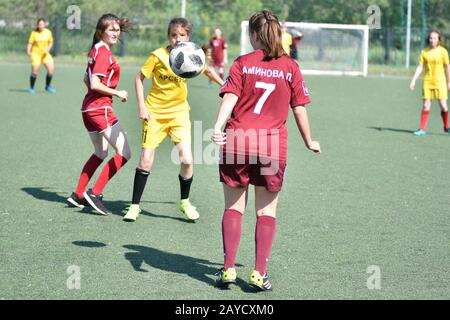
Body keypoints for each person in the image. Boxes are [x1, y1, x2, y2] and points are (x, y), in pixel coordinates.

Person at [212, 10, 320, 291]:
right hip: (272, 146)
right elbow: (299, 107)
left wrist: (217, 125)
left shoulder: (242, 63)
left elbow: (231, 96)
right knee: (266, 211)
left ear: (254, 36)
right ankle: (259, 273)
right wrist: (309, 140)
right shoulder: (290, 67)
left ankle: (228, 269)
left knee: (233, 207)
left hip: (237, 141)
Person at [123, 17, 224, 222]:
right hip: (155, 114)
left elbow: (207, 70)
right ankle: (134, 206)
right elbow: (138, 79)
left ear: (188, 37)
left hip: (179, 114)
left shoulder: (191, 54)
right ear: (168, 36)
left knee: (187, 159)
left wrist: (225, 86)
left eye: (182, 35)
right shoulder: (158, 56)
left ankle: (184, 202)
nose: (177, 39)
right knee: (146, 161)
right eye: (173, 35)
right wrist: (142, 107)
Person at [66, 14, 131, 216]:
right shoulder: (103, 52)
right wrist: (117, 92)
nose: (115, 32)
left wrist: (97, 96)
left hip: (88, 108)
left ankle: (78, 195)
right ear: (101, 30)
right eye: (111, 29)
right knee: (125, 153)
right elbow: (94, 83)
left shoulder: (95, 49)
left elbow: (86, 78)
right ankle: (95, 193)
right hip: (99, 109)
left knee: (100, 152)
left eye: (117, 29)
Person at [410, 30, 450, 136]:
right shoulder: (424, 52)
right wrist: (413, 80)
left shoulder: (443, 51)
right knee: (426, 105)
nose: (432, 40)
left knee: (443, 106)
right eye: (430, 38)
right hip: (427, 82)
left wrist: (449, 82)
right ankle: (422, 129)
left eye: (434, 38)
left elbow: (447, 67)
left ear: (438, 40)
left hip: (440, 82)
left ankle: (446, 126)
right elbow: (420, 67)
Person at [27, 18, 56, 94]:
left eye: (43, 24)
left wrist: (48, 50)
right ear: (37, 25)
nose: (41, 26)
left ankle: (47, 86)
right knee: (35, 71)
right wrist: (28, 51)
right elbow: (30, 43)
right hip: (36, 54)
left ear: (44, 25)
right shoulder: (34, 33)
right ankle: (31, 88)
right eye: (40, 24)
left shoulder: (48, 32)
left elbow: (51, 42)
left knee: (51, 70)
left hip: (45, 54)